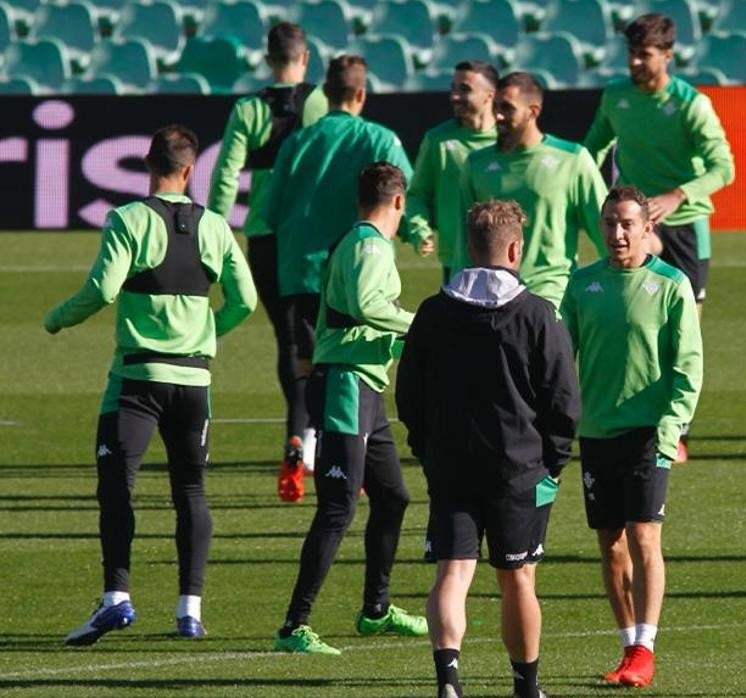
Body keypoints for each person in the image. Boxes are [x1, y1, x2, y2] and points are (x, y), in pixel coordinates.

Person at [49, 125, 257, 645]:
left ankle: (116, 598)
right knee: (190, 491)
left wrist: (58, 318)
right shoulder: (215, 226)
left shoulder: (127, 219)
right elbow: (245, 300)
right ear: (190, 172)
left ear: (148, 166)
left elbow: (102, 288)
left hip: (137, 381)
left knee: (118, 485)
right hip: (193, 381)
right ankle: (190, 609)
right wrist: (208, 334)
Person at [396, 200, 579, 698]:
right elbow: (564, 400)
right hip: (519, 470)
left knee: (452, 572)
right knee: (517, 578)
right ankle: (526, 687)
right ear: (515, 249)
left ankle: (449, 682)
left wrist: (427, 449)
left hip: (450, 466)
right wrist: (553, 464)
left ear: (468, 249)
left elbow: (408, 394)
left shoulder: (433, 312)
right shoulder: (537, 313)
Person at [272, 162, 426, 655]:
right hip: (344, 386)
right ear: (398, 202)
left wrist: (407, 345)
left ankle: (376, 610)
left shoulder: (354, 241)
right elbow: (364, 305)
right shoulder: (369, 246)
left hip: (363, 385)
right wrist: (422, 325)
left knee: (393, 497)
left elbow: (356, 321)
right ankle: (294, 627)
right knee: (338, 508)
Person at [560, 187, 703, 688]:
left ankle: (646, 647)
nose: (617, 234)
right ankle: (627, 647)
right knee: (611, 545)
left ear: (647, 229)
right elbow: (561, 359)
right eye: (609, 224)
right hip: (597, 433)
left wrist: (672, 427)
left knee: (644, 536)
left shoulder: (670, 284)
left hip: (649, 432)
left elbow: (689, 366)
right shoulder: (582, 285)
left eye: (626, 224)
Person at [265, 54, 413, 503]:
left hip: (298, 268)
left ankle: (299, 442)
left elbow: (271, 211)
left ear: (323, 95)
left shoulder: (296, 142)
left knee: (305, 365)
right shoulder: (379, 138)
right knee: (353, 365)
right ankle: (355, 459)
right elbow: (402, 200)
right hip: (352, 273)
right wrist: (418, 231)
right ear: (362, 94)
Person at [207, 22, 328, 492]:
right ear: (307, 56)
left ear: (266, 58)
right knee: (323, 337)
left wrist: (216, 234)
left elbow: (225, 176)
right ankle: (318, 437)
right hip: (314, 236)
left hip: (265, 236)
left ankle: (299, 435)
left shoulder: (248, 108)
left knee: (289, 340)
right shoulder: (320, 104)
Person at [582, 12, 735, 314]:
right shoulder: (615, 96)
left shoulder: (691, 104)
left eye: (644, 55)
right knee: (633, 312)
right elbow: (591, 150)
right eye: (631, 54)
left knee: (687, 323)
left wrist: (677, 195)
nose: (635, 62)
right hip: (635, 222)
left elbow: (724, 168)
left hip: (686, 222)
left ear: (667, 55)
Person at [461, 71, 607, 310]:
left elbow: (604, 232)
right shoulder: (475, 165)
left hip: (551, 297)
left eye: (507, 108)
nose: (497, 115)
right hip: (488, 298)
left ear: (533, 111)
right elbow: (465, 241)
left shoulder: (573, 159)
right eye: (495, 106)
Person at [405, 60, 499, 283]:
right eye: (453, 88)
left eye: (464, 89)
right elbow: (417, 194)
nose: (454, 96)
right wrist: (420, 230)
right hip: (456, 264)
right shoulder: (437, 140)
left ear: (489, 95)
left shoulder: (510, 141)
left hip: (507, 261)